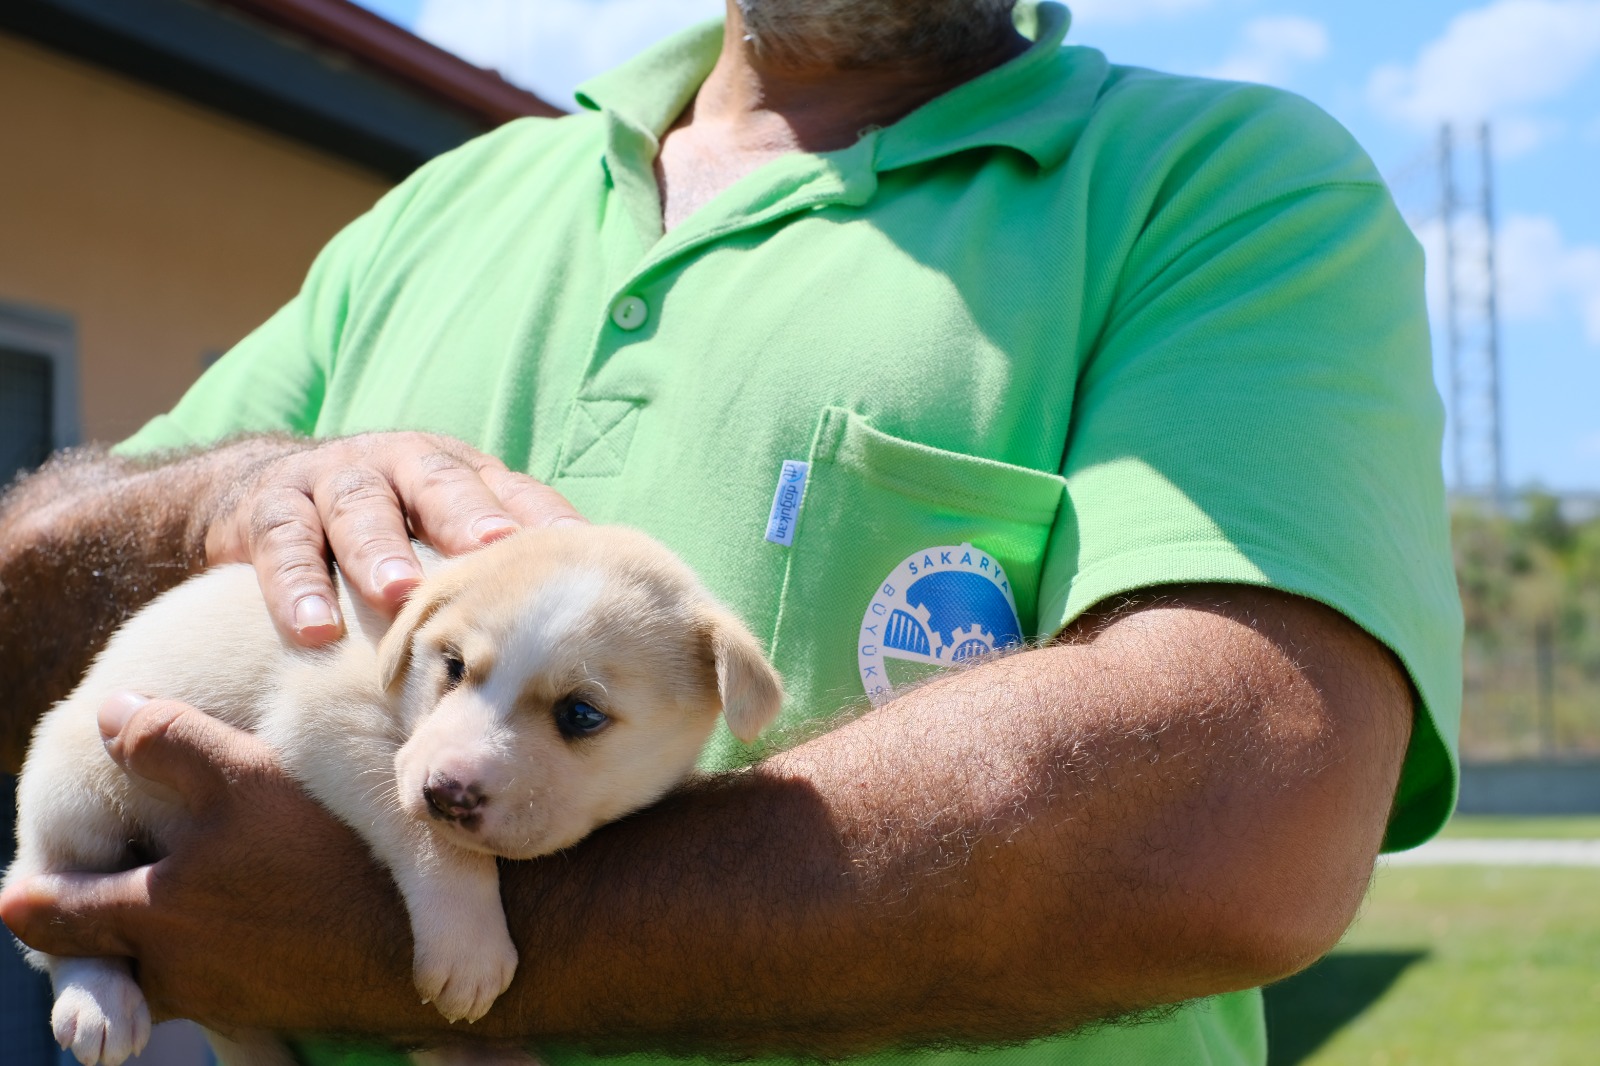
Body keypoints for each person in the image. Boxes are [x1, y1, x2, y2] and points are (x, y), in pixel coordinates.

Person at [0, 1, 1461, 1064]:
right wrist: (225, 491)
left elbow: (1238, 811)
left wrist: (427, 937)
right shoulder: (449, 206)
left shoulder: (1221, 188)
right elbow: (27, 627)